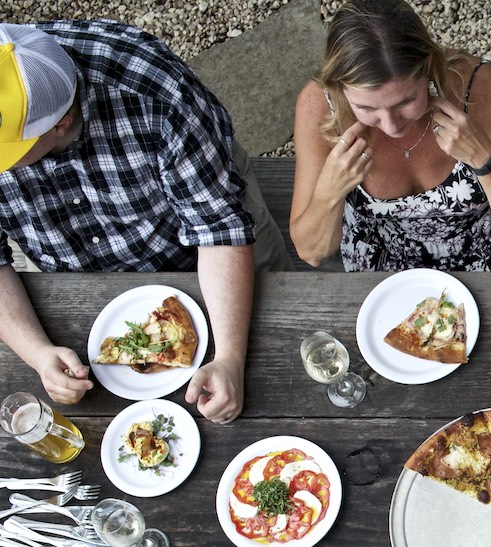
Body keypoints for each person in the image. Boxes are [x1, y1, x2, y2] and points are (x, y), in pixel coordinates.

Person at [0, 20, 289, 423]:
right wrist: (37, 352)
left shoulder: (158, 92)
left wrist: (228, 359)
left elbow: (219, 228)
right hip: (72, 283)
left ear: (60, 122)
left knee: (283, 324)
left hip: (203, 245)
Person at [290, 0, 491, 272]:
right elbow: (312, 253)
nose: (390, 125)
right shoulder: (319, 106)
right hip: (389, 267)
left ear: (426, 67)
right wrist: (329, 192)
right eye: (366, 107)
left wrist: (485, 160)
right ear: (339, 88)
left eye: (405, 101)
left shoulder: (474, 85)